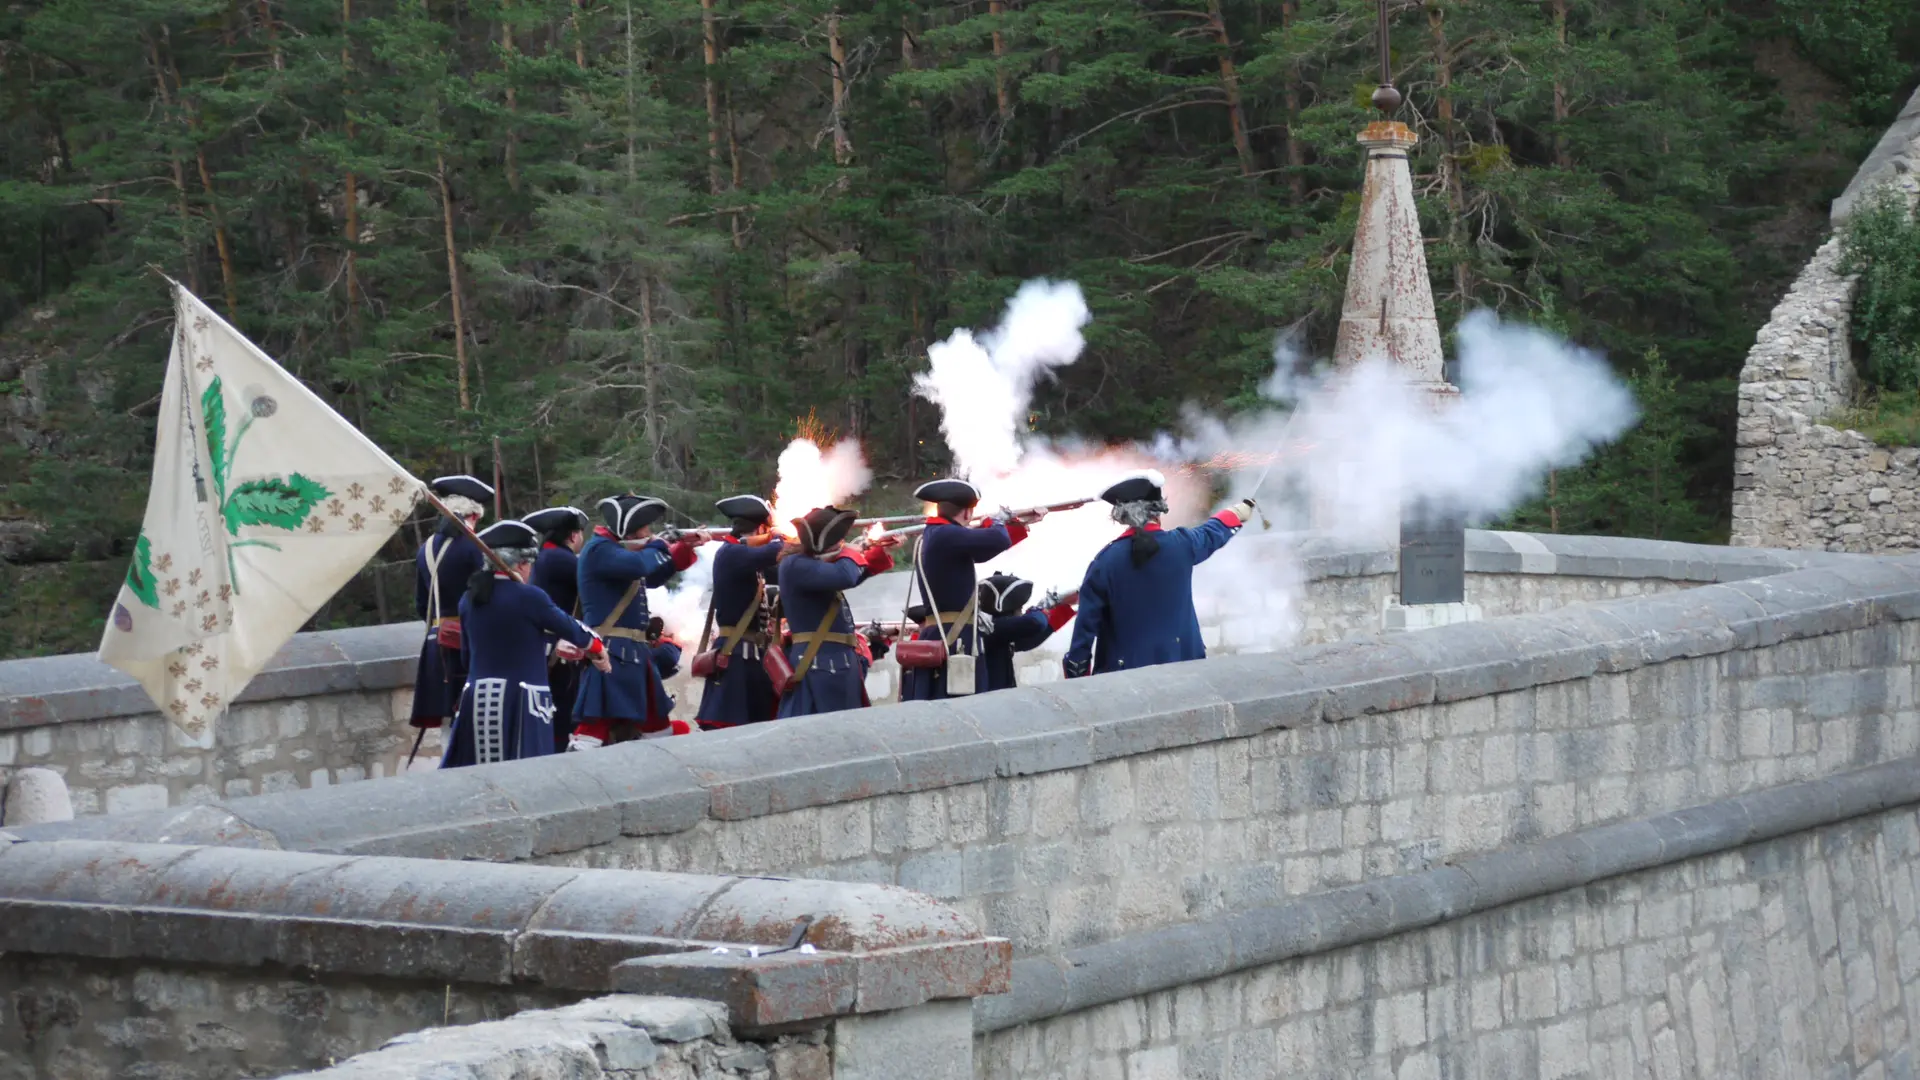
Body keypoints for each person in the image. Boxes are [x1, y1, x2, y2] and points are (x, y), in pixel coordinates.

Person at [441, 520, 609, 768]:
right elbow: (571, 628)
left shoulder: (469, 599)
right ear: (521, 563)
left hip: (477, 698)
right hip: (521, 699)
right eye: (530, 564)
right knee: (527, 772)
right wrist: (597, 648)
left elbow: (468, 657)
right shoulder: (529, 596)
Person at [1063, 471, 1254, 678]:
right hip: (1186, 666)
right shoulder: (1183, 543)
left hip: (1123, 679)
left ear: (1122, 515)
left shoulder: (1105, 562)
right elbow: (1212, 531)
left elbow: (1084, 634)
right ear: (1158, 511)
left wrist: (1078, 679)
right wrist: (1236, 513)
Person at [569, 495, 703, 749]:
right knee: (593, 730)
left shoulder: (619, 551)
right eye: (644, 528)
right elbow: (641, 565)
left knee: (657, 727)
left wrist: (684, 548)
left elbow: (653, 576)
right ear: (626, 531)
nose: (649, 533)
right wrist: (661, 544)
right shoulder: (600, 549)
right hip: (612, 649)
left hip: (633, 652)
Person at [899, 478, 1034, 701]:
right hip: (956, 637)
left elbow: (983, 551)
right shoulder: (945, 534)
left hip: (950, 633)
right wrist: (999, 520)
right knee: (962, 704)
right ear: (967, 513)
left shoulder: (937, 535)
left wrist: (1017, 526)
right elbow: (996, 539)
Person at [775, 506, 897, 719]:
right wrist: (851, 552)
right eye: (839, 541)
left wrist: (877, 553)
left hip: (831, 663)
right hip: (819, 663)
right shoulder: (796, 564)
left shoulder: (807, 565)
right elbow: (844, 576)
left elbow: (850, 575)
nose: (841, 545)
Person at [409, 475, 493, 736]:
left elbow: (422, 604)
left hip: (435, 638)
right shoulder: (474, 548)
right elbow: (485, 598)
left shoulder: (424, 549)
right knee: (470, 718)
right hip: (466, 641)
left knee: (448, 721)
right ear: (474, 515)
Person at [694, 495, 784, 731]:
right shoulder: (731, 554)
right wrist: (779, 538)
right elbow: (777, 549)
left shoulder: (744, 557)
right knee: (729, 730)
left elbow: (782, 569)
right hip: (736, 655)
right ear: (760, 529)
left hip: (752, 657)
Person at [523, 505, 590, 751]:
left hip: (545, 646)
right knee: (563, 714)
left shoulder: (545, 555)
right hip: (560, 649)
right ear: (573, 535)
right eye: (580, 533)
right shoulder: (561, 559)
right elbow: (593, 580)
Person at [974, 573, 1078, 692]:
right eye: (1019, 607)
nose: (1022, 611)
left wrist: (1059, 607)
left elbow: (1029, 640)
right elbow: (1036, 622)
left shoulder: (999, 630)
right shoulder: (992, 627)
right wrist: (1041, 608)